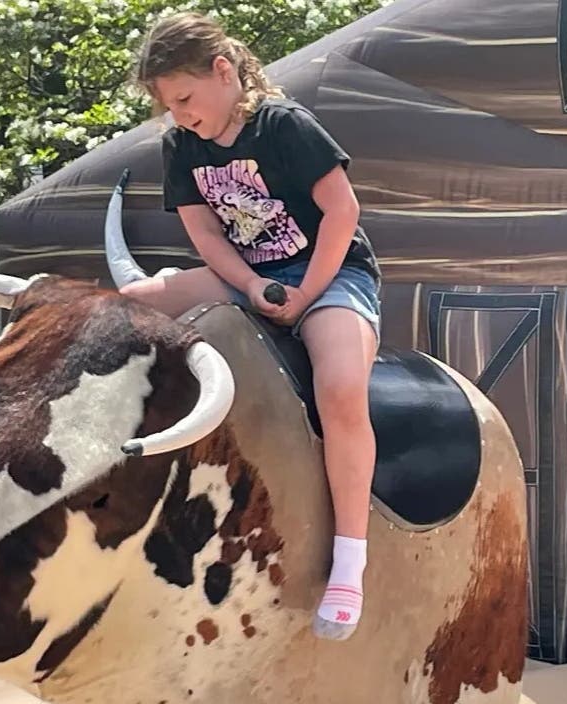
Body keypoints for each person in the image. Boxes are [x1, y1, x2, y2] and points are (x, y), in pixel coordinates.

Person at [129, 12, 381, 641]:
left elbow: (341, 211)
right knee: (131, 304)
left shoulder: (284, 126)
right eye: (168, 106)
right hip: (249, 272)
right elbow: (205, 232)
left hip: (329, 273)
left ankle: (350, 559)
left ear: (223, 72)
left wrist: (305, 295)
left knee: (343, 384)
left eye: (185, 99)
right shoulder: (179, 146)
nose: (180, 115)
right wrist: (248, 286)